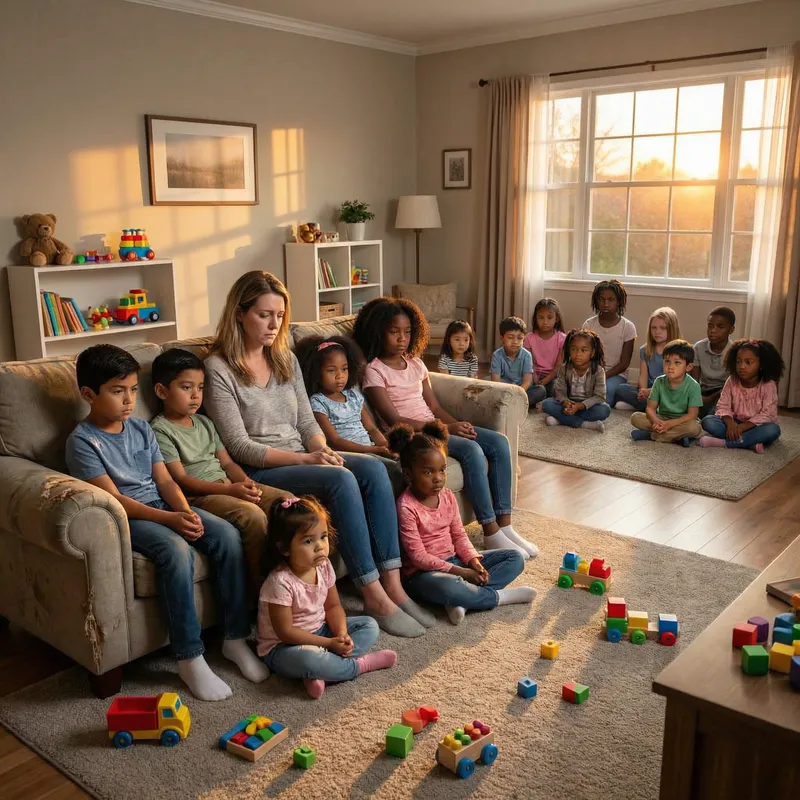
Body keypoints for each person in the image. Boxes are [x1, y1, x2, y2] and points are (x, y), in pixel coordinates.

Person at [204, 271, 431, 638]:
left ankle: (394, 584)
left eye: (279, 316)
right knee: (341, 479)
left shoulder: (285, 360)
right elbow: (239, 446)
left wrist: (321, 450)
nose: (273, 324)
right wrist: (307, 460)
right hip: (259, 468)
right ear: (239, 314)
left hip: (301, 456)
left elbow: (308, 423)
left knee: (372, 469)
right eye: (264, 315)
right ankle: (371, 593)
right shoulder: (218, 368)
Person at [65, 344, 267, 702]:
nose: (129, 400)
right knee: (176, 551)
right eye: (117, 391)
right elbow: (117, 501)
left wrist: (184, 512)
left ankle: (235, 638)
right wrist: (171, 520)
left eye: (131, 390)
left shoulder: (141, 429)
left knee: (225, 534)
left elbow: (166, 482)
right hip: (130, 517)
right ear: (88, 395)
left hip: (163, 504)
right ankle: (189, 657)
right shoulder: (83, 442)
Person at [355, 296, 538, 560]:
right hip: (413, 436)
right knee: (472, 450)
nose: (401, 338)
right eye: (394, 332)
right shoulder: (375, 371)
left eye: (407, 332)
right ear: (378, 332)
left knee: (499, 442)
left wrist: (455, 424)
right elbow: (394, 419)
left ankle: (506, 525)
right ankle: (490, 530)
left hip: (435, 427)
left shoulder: (416, 364)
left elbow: (434, 406)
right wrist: (444, 428)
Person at [150, 348, 291, 600]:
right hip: (200, 496)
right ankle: (263, 591)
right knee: (251, 515)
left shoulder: (205, 423)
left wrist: (245, 483)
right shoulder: (160, 430)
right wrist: (230, 490)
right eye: (186, 388)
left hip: (228, 485)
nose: (196, 396)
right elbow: (180, 480)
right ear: (162, 391)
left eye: (200, 388)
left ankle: (291, 579)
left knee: (287, 502)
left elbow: (227, 463)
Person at [390, 421, 536, 626]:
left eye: (442, 470)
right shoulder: (406, 506)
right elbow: (418, 557)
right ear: (408, 474)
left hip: (457, 561)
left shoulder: (448, 496)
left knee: (515, 558)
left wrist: (474, 563)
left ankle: (463, 600)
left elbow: (459, 535)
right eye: (428, 472)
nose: (438, 479)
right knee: (448, 587)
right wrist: (462, 573)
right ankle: (499, 597)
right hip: (424, 575)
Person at [256, 496, 397, 699]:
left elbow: (333, 606)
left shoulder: (323, 566)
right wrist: (329, 644)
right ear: (284, 548)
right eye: (308, 541)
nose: (320, 546)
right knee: (309, 660)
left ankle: (322, 671)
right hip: (283, 648)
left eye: (323, 537)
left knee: (369, 625)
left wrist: (340, 634)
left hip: (320, 630)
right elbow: (286, 632)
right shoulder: (279, 582)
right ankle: (360, 665)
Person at [295, 335, 393, 458]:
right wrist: (374, 450)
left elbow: (371, 429)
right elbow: (334, 440)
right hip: (349, 455)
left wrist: (385, 447)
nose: (340, 376)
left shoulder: (353, 396)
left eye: (344, 369)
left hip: (372, 450)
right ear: (315, 372)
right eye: (331, 370)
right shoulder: (318, 402)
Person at [698, 339, 784, 453]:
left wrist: (743, 427)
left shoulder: (768, 385)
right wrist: (731, 424)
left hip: (757, 426)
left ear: (761, 364)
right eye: (738, 362)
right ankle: (749, 443)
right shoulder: (732, 380)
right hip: (735, 422)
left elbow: (767, 415)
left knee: (772, 430)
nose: (742, 366)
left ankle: (724, 443)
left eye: (748, 362)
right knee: (708, 421)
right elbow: (723, 406)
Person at [630, 339, 702, 446]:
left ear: (688, 367)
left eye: (677, 362)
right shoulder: (659, 381)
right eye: (667, 361)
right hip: (661, 417)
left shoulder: (694, 386)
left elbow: (692, 415)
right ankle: (677, 438)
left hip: (681, 421)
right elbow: (650, 408)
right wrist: (656, 421)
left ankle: (651, 436)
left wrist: (669, 424)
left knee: (695, 428)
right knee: (635, 418)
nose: (670, 366)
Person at [541, 329, 610, 432]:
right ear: (569, 351)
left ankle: (561, 419)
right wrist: (566, 403)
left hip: (587, 405)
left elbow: (600, 396)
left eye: (584, 350)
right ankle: (584, 424)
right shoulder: (564, 368)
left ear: (592, 353)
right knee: (547, 404)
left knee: (604, 410)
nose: (578, 354)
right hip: (568, 403)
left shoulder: (599, 370)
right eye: (574, 349)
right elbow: (559, 392)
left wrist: (580, 406)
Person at [615, 307, 680, 412]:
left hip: (667, 390)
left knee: (674, 398)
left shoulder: (678, 351)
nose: (657, 331)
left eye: (663, 328)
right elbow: (643, 376)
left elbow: (672, 381)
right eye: (653, 328)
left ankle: (645, 407)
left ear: (672, 328)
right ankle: (646, 406)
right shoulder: (645, 350)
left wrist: (651, 392)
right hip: (649, 390)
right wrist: (642, 391)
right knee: (620, 389)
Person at [582, 279, 636, 406]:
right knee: (577, 391)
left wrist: (603, 376)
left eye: (611, 299)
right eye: (601, 299)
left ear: (618, 302)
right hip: (591, 371)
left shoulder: (628, 327)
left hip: (616, 374)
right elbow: (583, 354)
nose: (606, 303)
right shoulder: (589, 324)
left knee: (605, 394)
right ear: (596, 301)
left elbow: (624, 363)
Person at [490, 316, 546, 408]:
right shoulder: (497, 355)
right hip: (503, 390)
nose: (515, 342)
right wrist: (506, 393)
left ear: (524, 338)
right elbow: (496, 382)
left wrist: (516, 394)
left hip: (521, 390)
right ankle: (517, 405)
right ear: (502, 338)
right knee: (488, 384)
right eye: (510, 337)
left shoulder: (526, 355)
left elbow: (527, 381)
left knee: (540, 390)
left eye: (520, 338)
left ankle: (512, 404)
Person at [691, 306, 736, 418]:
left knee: (714, 416)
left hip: (723, 393)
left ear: (731, 330)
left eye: (720, 327)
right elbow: (693, 381)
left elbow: (733, 385)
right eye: (710, 326)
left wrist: (710, 399)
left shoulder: (735, 351)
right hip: (702, 391)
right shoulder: (698, 347)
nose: (713, 330)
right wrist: (698, 397)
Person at [522, 298, 566, 399]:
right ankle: (539, 397)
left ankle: (545, 399)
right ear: (535, 318)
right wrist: (535, 378)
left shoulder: (562, 338)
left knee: (557, 389)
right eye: (541, 318)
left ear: (557, 318)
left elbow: (558, 366)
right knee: (534, 388)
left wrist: (546, 380)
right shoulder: (529, 338)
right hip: (533, 375)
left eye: (550, 317)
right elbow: (529, 363)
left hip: (553, 376)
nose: (545, 322)